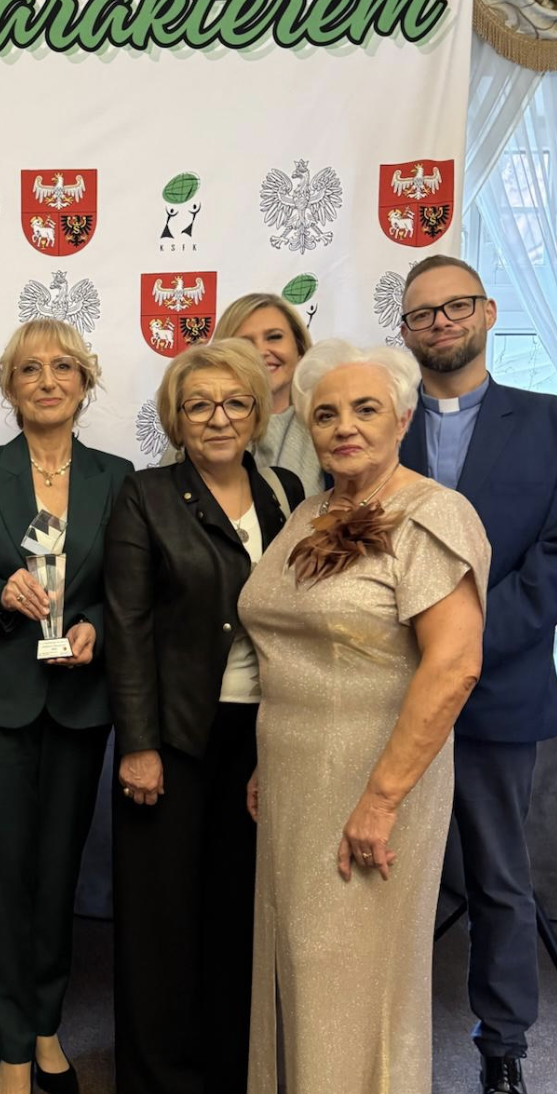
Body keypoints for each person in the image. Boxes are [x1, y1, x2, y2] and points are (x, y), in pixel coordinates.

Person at [239, 339, 491, 1094]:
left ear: (403, 419)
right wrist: (268, 759)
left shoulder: (434, 514)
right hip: (294, 779)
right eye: (325, 414)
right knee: (298, 960)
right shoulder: (308, 513)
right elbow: (295, 649)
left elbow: (454, 667)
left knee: (347, 970)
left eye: (365, 408)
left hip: (376, 783)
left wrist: (381, 801)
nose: (344, 426)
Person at [105, 339, 304, 1094]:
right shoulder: (145, 495)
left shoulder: (286, 491)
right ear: (176, 419)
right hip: (177, 731)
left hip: (265, 731)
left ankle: (230, 1069)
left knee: (238, 909)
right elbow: (127, 624)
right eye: (198, 405)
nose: (218, 419)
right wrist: (139, 745)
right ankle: (156, 1077)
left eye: (234, 403)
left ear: (256, 413)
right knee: (162, 919)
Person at [0, 318, 132, 1094]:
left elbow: (128, 590)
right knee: (4, 872)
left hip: (78, 700)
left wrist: (97, 628)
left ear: (85, 383)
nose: (47, 380)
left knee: (57, 873)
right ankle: (12, 1044)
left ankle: (47, 1023)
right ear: (9, 387)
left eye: (63, 367)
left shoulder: (117, 477)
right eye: (30, 369)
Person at [398, 254, 557, 1094]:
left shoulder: (549, 421)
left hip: (500, 688)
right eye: (422, 313)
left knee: (498, 877)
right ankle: (380, 1033)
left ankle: (503, 1046)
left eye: (455, 306)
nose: (441, 323)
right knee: (387, 868)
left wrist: (463, 643)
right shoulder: (381, 424)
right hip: (394, 689)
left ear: (489, 312)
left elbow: (553, 560)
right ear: (406, 332)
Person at [160, 294, 323, 496]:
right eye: (245, 343)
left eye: (274, 337)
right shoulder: (195, 432)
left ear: (300, 349)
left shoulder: (324, 427)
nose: (261, 351)